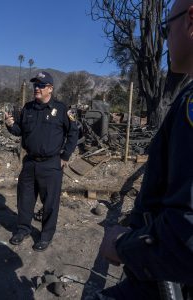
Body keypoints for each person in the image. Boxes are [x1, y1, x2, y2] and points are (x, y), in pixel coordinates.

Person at [92, 1, 193, 299]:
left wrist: (124, 246)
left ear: (190, 20)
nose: (164, 40)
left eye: (165, 29)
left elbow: (188, 231)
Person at [5, 71, 78, 251]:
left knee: (50, 202)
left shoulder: (61, 110)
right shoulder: (28, 108)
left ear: (50, 89)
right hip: (29, 162)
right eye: (35, 85)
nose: (36, 88)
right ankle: (23, 229)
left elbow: (74, 133)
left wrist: (65, 156)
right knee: (25, 199)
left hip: (51, 164)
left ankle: (46, 235)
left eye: (41, 85)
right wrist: (9, 125)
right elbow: (19, 131)